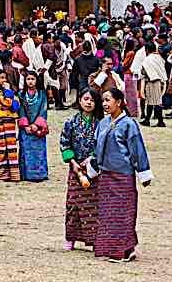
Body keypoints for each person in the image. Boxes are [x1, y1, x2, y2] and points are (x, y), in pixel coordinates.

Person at [93, 87, 152, 262]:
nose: (104, 103)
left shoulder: (129, 124)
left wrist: (143, 173)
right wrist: (93, 167)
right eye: (103, 100)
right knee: (107, 214)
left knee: (124, 213)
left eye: (108, 100)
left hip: (123, 176)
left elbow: (137, 149)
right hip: (106, 176)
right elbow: (97, 149)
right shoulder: (102, 123)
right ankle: (109, 249)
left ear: (118, 102)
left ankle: (126, 250)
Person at [60, 87, 102, 252]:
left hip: (93, 170)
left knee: (93, 206)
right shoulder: (70, 122)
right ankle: (70, 238)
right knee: (73, 205)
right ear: (79, 101)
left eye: (92, 100)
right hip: (75, 169)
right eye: (86, 99)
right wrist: (72, 161)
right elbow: (65, 143)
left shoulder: (100, 123)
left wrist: (91, 159)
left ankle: (93, 240)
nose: (89, 102)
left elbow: (101, 145)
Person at [0, 69, 21, 182]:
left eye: (5, 78)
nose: (4, 80)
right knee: (1, 147)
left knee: (11, 146)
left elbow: (13, 104)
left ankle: (12, 174)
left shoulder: (2, 91)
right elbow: (8, 102)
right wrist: (10, 97)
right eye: (1, 78)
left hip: (9, 121)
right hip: (1, 121)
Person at [19, 68, 49, 181]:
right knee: (26, 151)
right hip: (26, 130)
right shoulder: (21, 95)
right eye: (28, 79)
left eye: (32, 79)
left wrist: (37, 124)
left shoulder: (42, 94)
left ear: (37, 80)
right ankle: (26, 175)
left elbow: (43, 109)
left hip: (38, 129)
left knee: (39, 151)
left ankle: (40, 174)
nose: (30, 81)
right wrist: (25, 125)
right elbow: (21, 110)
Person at [138, 41, 168, 127]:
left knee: (156, 103)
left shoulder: (148, 59)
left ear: (147, 50)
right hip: (161, 81)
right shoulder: (159, 58)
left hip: (153, 82)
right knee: (151, 102)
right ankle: (147, 120)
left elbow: (144, 71)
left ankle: (160, 121)